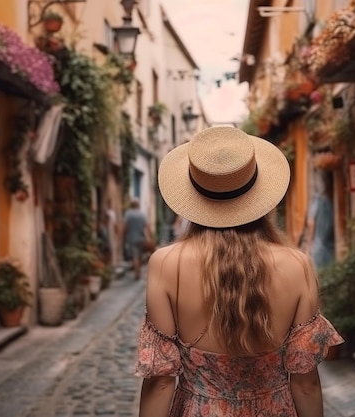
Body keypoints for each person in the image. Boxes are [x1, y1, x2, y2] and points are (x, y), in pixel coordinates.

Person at [134, 126, 344, 417]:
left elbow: (160, 383)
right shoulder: (298, 265)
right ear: (259, 193)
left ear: (193, 194)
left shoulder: (165, 264)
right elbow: (305, 383)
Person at [305, 170, 335, 269]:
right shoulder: (331, 200)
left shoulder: (317, 200)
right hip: (330, 246)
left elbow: (311, 223)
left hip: (319, 246)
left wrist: (308, 245)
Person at [119, 198, 152, 279]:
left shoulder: (128, 214)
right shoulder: (142, 215)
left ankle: (137, 273)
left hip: (132, 239)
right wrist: (150, 237)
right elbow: (147, 227)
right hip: (141, 238)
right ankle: (139, 272)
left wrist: (121, 236)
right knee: (140, 256)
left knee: (135, 256)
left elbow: (125, 226)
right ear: (138, 205)